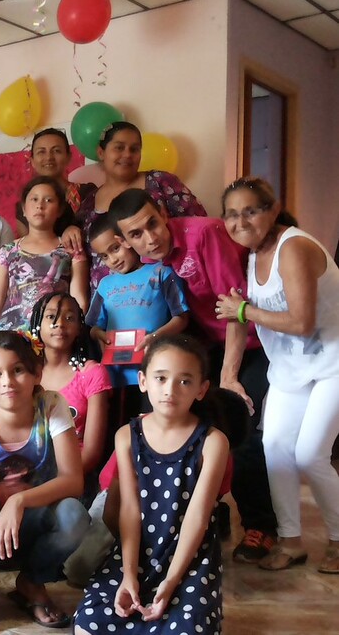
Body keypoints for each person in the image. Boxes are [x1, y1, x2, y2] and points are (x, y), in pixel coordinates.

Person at [109, 186, 278, 563]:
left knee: (241, 420)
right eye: (136, 234)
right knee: (192, 427)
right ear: (125, 241)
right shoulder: (147, 265)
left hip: (252, 340)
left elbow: (235, 308)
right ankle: (210, 512)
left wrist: (229, 377)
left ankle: (261, 525)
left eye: (153, 224)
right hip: (208, 346)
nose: (150, 238)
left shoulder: (205, 234)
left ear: (164, 215)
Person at [216, 176, 339, 573]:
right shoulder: (253, 254)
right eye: (232, 214)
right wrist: (227, 373)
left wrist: (244, 312)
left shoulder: (294, 247)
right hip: (293, 368)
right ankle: (290, 541)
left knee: (310, 454)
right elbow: (237, 312)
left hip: (333, 362)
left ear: (272, 210)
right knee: (277, 451)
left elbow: (302, 321)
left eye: (250, 211)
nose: (241, 221)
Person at [74, 335, 229, 634]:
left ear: (201, 389)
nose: (170, 390)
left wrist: (171, 582)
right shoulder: (126, 437)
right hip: (136, 553)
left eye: (185, 381)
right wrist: (129, 575)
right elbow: (129, 511)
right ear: (143, 381)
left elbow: (197, 518)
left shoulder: (212, 442)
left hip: (191, 558)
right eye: (161, 378)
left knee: (187, 628)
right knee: (87, 625)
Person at [0, 331, 88, 633]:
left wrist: (18, 500)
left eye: (17, 370)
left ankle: (31, 582)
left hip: (34, 522)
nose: (8, 382)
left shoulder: (51, 406)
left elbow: (73, 480)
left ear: (36, 372)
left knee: (74, 516)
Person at [76, 121, 207, 290]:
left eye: (134, 149)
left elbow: (199, 227)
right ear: (101, 152)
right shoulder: (89, 202)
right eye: (119, 147)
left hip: (165, 292)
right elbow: (79, 251)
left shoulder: (160, 182)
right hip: (109, 301)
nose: (127, 154)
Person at [85, 213, 189, 426]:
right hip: (116, 376)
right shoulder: (105, 285)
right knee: (119, 431)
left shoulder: (161, 273)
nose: (112, 259)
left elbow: (182, 317)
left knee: (152, 428)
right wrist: (100, 336)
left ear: (127, 240)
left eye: (115, 249)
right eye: (104, 256)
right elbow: (93, 327)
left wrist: (155, 337)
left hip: (155, 372)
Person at [0, 175, 89, 336]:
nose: (40, 205)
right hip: (10, 338)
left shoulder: (71, 249)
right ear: (24, 209)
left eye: (48, 200)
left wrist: (74, 337)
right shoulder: (8, 251)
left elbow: (79, 299)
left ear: (60, 210)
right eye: (34, 199)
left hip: (54, 336)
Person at [30, 291, 111, 498]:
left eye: (69, 318)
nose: (60, 324)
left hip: (74, 481)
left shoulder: (92, 373)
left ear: (79, 328)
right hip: (28, 478)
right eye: (50, 316)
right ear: (37, 323)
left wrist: (53, 485)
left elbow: (92, 454)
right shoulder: (25, 373)